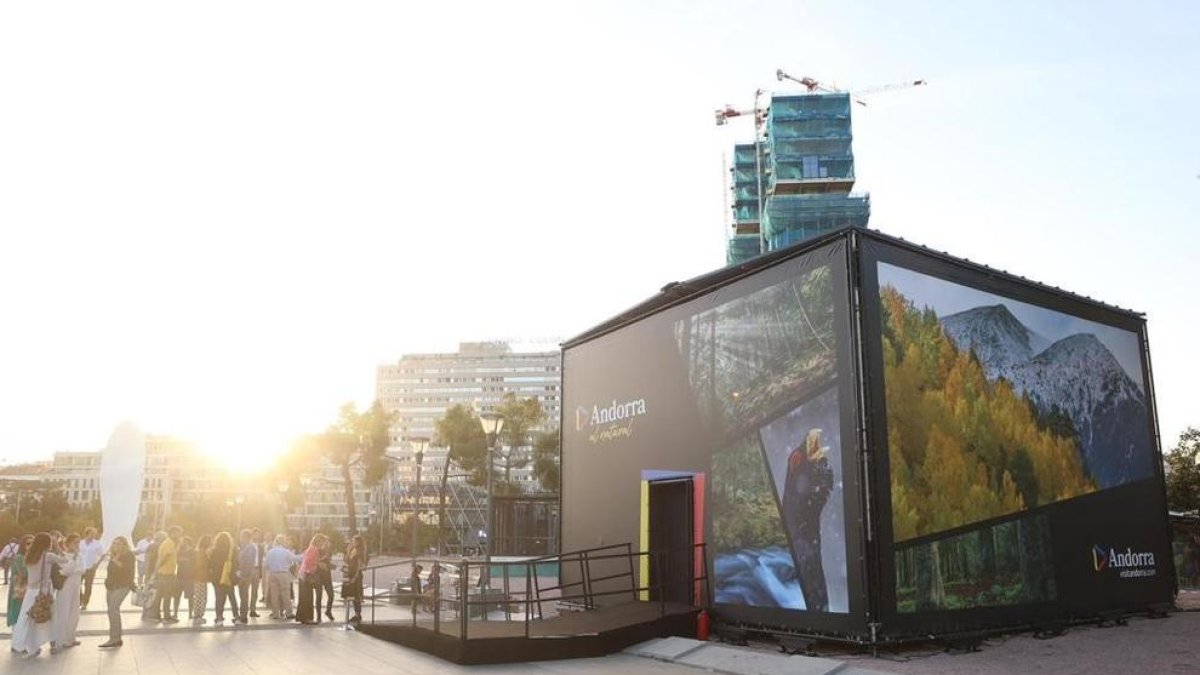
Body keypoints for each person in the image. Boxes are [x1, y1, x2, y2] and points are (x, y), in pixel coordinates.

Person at [11, 532, 67, 657]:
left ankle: (22, 645)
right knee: (49, 617)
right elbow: (65, 560)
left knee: (26, 619)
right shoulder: (49, 556)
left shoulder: (29, 555)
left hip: (31, 591)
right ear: (47, 543)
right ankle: (53, 644)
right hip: (44, 591)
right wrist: (58, 547)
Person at [50, 532, 84, 653]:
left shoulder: (79, 555)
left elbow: (82, 569)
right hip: (65, 588)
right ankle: (60, 640)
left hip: (76, 587)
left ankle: (70, 638)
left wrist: (71, 567)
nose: (77, 545)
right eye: (75, 542)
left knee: (74, 612)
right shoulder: (62, 556)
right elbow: (67, 570)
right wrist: (72, 565)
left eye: (78, 543)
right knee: (63, 613)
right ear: (68, 543)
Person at [99, 536, 135, 649]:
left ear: (124, 545)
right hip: (111, 586)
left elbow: (127, 570)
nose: (116, 545)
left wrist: (115, 560)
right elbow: (110, 571)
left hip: (123, 586)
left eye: (119, 543)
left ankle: (115, 638)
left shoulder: (128, 555)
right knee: (111, 611)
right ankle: (115, 638)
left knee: (113, 609)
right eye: (114, 543)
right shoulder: (113, 555)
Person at [264, 535, 299, 619]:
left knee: (274, 594)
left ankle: (275, 613)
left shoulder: (270, 552)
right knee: (286, 594)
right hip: (283, 573)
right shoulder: (286, 551)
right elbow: (294, 559)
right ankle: (288, 613)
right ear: (283, 542)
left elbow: (266, 565)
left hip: (272, 574)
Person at [209, 531, 239, 625]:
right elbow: (236, 564)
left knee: (219, 598)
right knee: (232, 597)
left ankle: (219, 618)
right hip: (228, 576)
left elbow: (211, 565)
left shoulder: (214, 551)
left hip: (217, 577)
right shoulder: (233, 550)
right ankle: (236, 617)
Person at [6, 535, 31, 635]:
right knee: (18, 613)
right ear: (23, 545)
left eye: (33, 543)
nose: (31, 545)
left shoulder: (29, 557)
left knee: (24, 615)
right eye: (28, 543)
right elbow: (25, 572)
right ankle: (17, 642)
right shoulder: (19, 557)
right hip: (19, 588)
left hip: (26, 588)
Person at [295, 534, 322, 624]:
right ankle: (307, 618)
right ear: (319, 541)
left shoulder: (309, 548)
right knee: (308, 597)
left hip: (302, 575)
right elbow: (310, 563)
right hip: (307, 575)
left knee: (303, 597)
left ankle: (302, 617)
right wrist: (317, 565)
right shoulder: (315, 550)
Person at [78, 527, 105, 610]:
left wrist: (96, 565)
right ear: (87, 534)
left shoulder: (97, 544)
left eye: (94, 534)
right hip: (80, 567)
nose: (93, 535)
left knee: (88, 586)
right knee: (77, 585)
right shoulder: (80, 543)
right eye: (91, 534)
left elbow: (102, 555)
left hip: (90, 568)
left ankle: (85, 603)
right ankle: (81, 599)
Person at [343, 535, 367, 623]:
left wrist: (355, 577)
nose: (352, 542)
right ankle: (356, 614)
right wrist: (348, 550)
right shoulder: (352, 550)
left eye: (354, 541)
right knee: (353, 596)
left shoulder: (360, 552)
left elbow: (359, 567)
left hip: (356, 575)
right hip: (350, 574)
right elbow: (346, 560)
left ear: (358, 542)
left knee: (357, 595)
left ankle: (358, 614)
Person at [236, 529, 258, 623]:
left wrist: (244, 576)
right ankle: (244, 614)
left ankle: (243, 616)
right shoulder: (246, 547)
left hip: (247, 573)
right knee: (245, 595)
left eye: (241, 536)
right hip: (247, 572)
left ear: (245, 537)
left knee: (244, 595)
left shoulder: (250, 547)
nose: (240, 539)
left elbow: (249, 562)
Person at [191, 535, 211, 625]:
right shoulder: (202, 552)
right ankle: (198, 616)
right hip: (201, 577)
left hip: (199, 577)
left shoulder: (198, 551)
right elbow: (201, 565)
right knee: (201, 597)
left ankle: (198, 615)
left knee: (200, 597)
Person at [315, 536, 335, 622]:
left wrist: (331, 566)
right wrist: (324, 557)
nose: (328, 544)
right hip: (319, 576)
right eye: (326, 542)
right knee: (319, 596)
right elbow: (315, 561)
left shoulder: (329, 552)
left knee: (331, 595)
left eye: (329, 542)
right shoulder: (318, 550)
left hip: (327, 576)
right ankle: (318, 616)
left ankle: (328, 611)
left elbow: (328, 563)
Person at [174, 536, 194, 622]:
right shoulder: (179, 551)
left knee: (190, 597)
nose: (182, 543)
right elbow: (176, 561)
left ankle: (190, 613)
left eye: (184, 542)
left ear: (188, 543)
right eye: (182, 542)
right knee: (176, 596)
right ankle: (175, 613)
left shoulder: (193, 552)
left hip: (189, 578)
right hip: (179, 577)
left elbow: (193, 563)